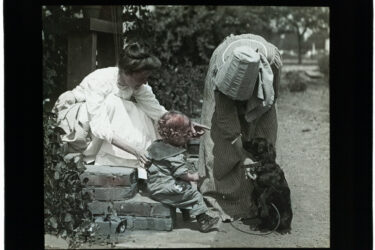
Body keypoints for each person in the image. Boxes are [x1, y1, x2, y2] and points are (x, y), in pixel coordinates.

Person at [197, 33, 283, 221]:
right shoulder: (220, 69)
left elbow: (273, 95)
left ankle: (257, 198)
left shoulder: (273, 59)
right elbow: (227, 121)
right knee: (219, 141)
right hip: (222, 82)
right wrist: (242, 154)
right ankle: (220, 196)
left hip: (263, 85)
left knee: (264, 136)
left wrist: (259, 105)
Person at [53, 43, 168, 168]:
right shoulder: (100, 80)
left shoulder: (138, 86)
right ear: (126, 72)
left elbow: (156, 111)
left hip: (102, 126)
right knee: (114, 103)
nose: (145, 82)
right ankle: (110, 159)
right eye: (141, 78)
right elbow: (100, 126)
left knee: (143, 111)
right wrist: (134, 151)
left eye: (146, 78)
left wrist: (185, 124)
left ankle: (140, 158)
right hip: (80, 126)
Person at [146, 111, 219, 233]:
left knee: (184, 186)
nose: (188, 138)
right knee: (195, 194)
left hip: (154, 185)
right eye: (186, 135)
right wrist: (195, 177)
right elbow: (182, 174)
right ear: (176, 136)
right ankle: (203, 220)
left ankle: (186, 212)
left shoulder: (157, 145)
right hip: (164, 189)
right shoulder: (174, 155)